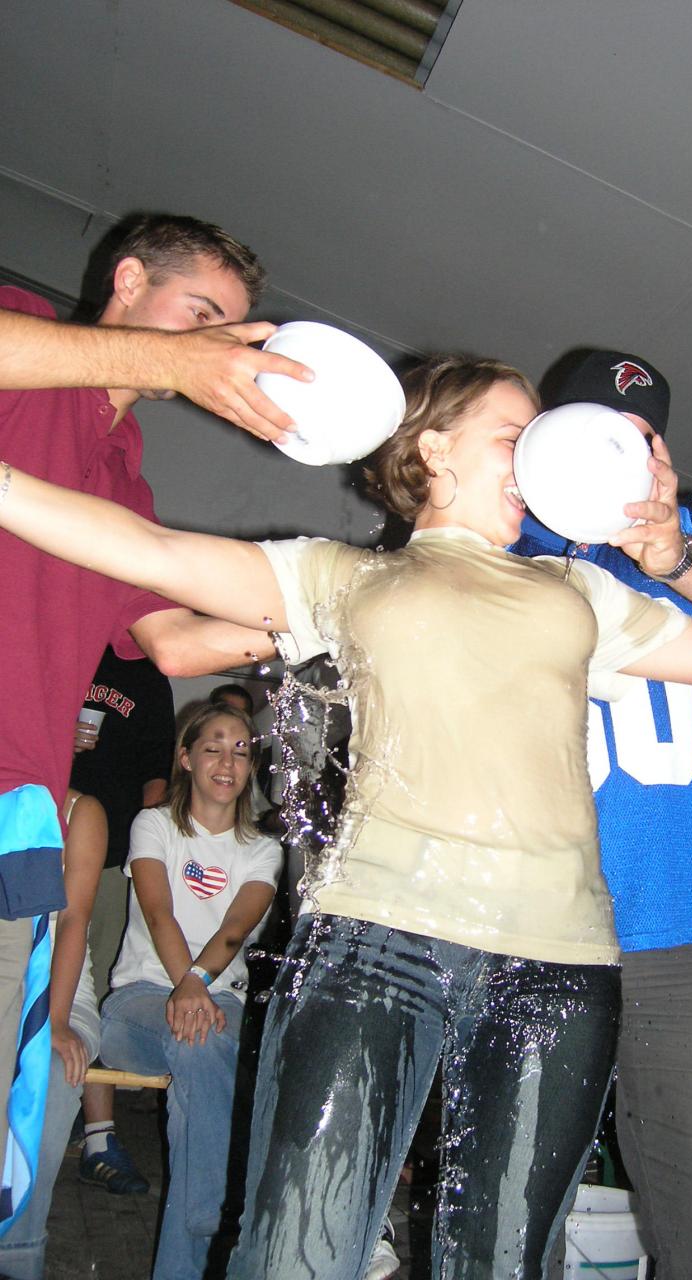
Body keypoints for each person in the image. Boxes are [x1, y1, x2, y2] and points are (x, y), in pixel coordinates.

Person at [0, 354, 692, 1280]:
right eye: (515, 437)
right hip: (377, 946)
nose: (540, 461)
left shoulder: (583, 590)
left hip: (557, 967)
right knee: (299, 1243)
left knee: (501, 1256)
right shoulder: (346, 575)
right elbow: (153, 552)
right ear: (435, 449)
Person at [0, 211, 309, 1231]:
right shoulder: (26, 337)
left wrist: (326, 617)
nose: (220, 343)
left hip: (19, 813)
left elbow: (173, 641)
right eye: (202, 314)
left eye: (231, 326)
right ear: (128, 281)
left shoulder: (120, 470)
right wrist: (168, 358)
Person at [514, 348, 692, 1277]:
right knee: (503, 1224)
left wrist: (672, 551)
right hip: (524, 927)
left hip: (685, 929)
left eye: (639, 436)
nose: (616, 453)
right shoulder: (498, 521)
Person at [99, 702, 282, 1280]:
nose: (228, 761)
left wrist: (198, 986)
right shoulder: (154, 825)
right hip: (137, 1004)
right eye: (213, 747)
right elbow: (159, 913)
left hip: (217, 1003)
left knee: (201, 1051)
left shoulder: (263, 849)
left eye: (241, 750)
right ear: (185, 758)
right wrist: (186, 986)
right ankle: (218, 1209)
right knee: (203, 1042)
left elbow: (234, 930)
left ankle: (199, 1218)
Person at [71, 645, 175, 1195]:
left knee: (93, 989)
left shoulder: (150, 673)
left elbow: (156, 777)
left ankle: (98, 1136)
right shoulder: (56, 643)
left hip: (113, 856)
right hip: (37, 836)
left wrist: (144, 859)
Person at [0, 787, 106, 1279]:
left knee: (54, 1072)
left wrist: (55, 1020)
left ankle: (17, 1253)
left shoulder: (80, 811)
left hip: (60, 993)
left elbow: (74, 919)